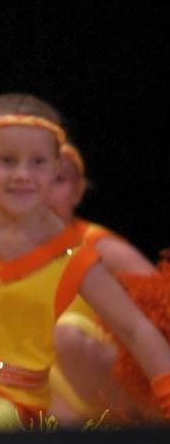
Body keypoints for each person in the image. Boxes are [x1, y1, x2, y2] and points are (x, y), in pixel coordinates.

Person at [0, 94, 170, 427]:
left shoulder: (72, 252)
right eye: (6, 160)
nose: (23, 174)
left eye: (38, 162)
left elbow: (136, 329)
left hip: (10, 406)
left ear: (57, 167)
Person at [43, 142, 159, 423]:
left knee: (67, 334)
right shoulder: (0, 244)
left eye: (57, 180)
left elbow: (161, 303)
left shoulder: (101, 247)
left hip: (97, 379)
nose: (44, 188)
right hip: (39, 380)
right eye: (39, 176)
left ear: (78, 190)